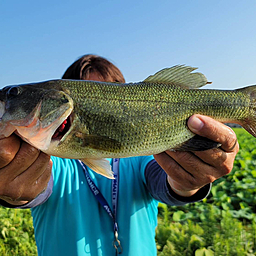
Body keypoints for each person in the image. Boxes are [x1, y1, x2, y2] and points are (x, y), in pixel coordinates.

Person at [0, 55, 239, 256]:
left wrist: (189, 180)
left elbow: (165, 183)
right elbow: (37, 186)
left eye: (109, 92)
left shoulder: (144, 157)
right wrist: (14, 186)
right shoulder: (51, 160)